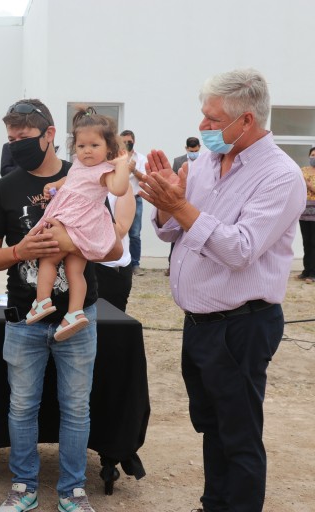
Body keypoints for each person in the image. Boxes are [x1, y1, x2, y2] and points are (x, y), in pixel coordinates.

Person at [140, 68, 306, 512]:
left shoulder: (279, 176)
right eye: (203, 115)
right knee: (211, 425)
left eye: (213, 119)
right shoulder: (207, 163)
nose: (203, 126)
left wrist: (181, 207)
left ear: (246, 120)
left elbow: (239, 249)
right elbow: (172, 231)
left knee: (239, 434)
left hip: (241, 325)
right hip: (200, 323)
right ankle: (214, 504)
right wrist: (166, 205)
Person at [0, 99, 123, 512]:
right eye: (11, 139)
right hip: (24, 319)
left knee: (76, 409)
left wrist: (71, 241)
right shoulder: (4, 188)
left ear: (50, 135)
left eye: (23, 137)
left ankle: (73, 490)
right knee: (21, 407)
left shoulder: (88, 174)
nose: (16, 145)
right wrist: (19, 251)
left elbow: (113, 247)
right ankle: (23, 486)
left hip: (78, 317)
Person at [25, 105, 129, 341]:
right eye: (81, 146)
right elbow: (70, 179)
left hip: (75, 222)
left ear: (109, 147)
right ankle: (74, 313)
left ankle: (42, 301)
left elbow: (119, 189)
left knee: (48, 260)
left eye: (94, 145)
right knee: (75, 270)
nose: (87, 151)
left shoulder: (105, 171)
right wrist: (55, 186)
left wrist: (122, 164)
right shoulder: (79, 165)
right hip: (77, 223)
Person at [95, 186, 136, 312]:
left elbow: (121, 230)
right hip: (79, 264)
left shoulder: (122, 186)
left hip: (110, 268)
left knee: (109, 320)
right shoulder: (75, 180)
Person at [165, 137, 201, 276]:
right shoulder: (178, 161)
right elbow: (173, 181)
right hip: (181, 200)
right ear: (186, 148)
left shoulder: (207, 160)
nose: (194, 153)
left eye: (196, 151)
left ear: (199, 147)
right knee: (177, 231)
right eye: (191, 151)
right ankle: (172, 264)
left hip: (198, 201)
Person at [120, 129, 147, 276]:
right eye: (123, 142)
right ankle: (121, 263)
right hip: (118, 199)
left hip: (135, 199)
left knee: (135, 234)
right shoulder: (115, 157)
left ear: (134, 141)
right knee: (118, 231)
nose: (126, 144)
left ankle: (135, 264)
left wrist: (134, 170)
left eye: (128, 142)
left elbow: (145, 178)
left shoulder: (141, 158)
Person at [298, 146, 315, 283]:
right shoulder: (302, 170)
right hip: (304, 212)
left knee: (314, 243)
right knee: (306, 242)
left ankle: (313, 273)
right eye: (313, 155)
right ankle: (306, 271)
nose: (314, 157)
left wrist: (309, 185)